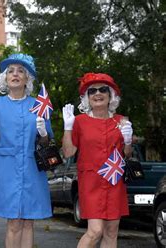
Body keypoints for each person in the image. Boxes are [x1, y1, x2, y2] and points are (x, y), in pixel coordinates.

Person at [0, 53, 54, 248]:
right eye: (11, 71)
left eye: (21, 71)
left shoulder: (37, 105)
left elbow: (46, 142)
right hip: (6, 170)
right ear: (5, 78)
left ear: (27, 79)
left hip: (32, 169)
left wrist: (42, 132)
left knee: (28, 221)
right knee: (14, 222)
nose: (15, 74)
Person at [62, 72, 133, 248]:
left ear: (111, 96)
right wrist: (67, 128)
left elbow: (128, 154)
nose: (97, 94)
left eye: (103, 90)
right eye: (92, 91)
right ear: (87, 98)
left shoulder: (121, 121)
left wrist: (129, 141)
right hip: (90, 182)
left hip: (114, 180)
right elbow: (68, 152)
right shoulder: (79, 121)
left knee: (111, 231)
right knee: (95, 231)